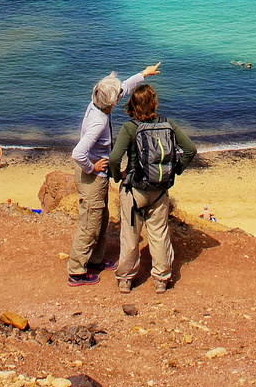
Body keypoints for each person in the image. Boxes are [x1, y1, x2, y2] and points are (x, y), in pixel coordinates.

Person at [68, 62, 161, 286]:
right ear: (112, 104)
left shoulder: (96, 104)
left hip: (98, 176)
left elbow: (124, 88)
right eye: (118, 96)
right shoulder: (98, 123)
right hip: (91, 178)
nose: (121, 96)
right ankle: (76, 271)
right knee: (90, 223)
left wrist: (143, 74)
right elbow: (78, 153)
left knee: (100, 217)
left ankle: (96, 260)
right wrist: (93, 167)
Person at [107, 83, 197, 295]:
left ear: (132, 105)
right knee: (159, 235)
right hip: (159, 191)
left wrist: (117, 177)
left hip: (134, 190)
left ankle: (126, 280)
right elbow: (190, 150)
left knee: (130, 235)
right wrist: (176, 171)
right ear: (154, 102)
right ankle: (161, 280)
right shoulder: (168, 124)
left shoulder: (130, 128)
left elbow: (114, 158)